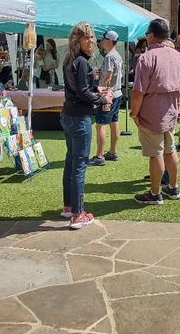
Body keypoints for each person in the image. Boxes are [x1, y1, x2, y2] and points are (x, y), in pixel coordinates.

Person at [131, 18, 180, 205]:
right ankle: (173, 187)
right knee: (170, 150)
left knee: (156, 154)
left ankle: (155, 193)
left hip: (151, 113)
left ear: (151, 35)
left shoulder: (146, 58)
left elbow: (138, 92)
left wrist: (134, 113)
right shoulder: (178, 56)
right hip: (171, 111)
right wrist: (178, 105)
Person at [60, 22, 112, 229]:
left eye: (92, 37)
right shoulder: (81, 61)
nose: (91, 41)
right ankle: (78, 213)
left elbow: (79, 88)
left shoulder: (70, 60)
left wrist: (95, 88)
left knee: (71, 162)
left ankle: (68, 207)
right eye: (87, 37)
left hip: (68, 115)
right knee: (79, 164)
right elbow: (82, 92)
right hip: (79, 116)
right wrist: (101, 99)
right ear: (77, 40)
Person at [89, 31, 123, 166]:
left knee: (100, 124)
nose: (101, 41)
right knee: (114, 122)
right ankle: (112, 152)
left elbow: (108, 77)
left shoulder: (109, 56)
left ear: (108, 40)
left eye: (103, 39)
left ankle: (99, 155)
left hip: (108, 94)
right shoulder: (117, 55)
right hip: (117, 93)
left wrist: (101, 91)